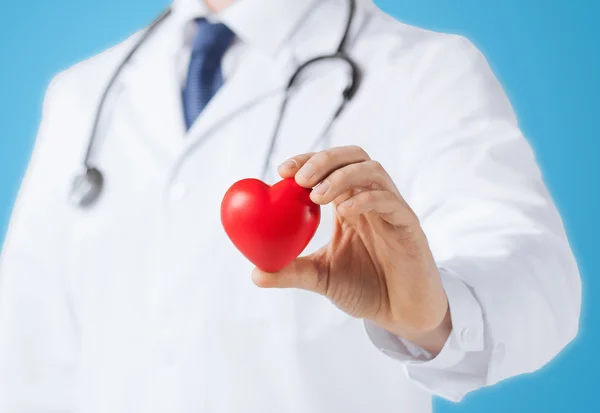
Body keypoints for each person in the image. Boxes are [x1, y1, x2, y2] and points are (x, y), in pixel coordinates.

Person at [0, 0, 581, 411]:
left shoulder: (424, 72)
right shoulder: (83, 95)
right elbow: (26, 345)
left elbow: (537, 273)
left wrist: (436, 311)